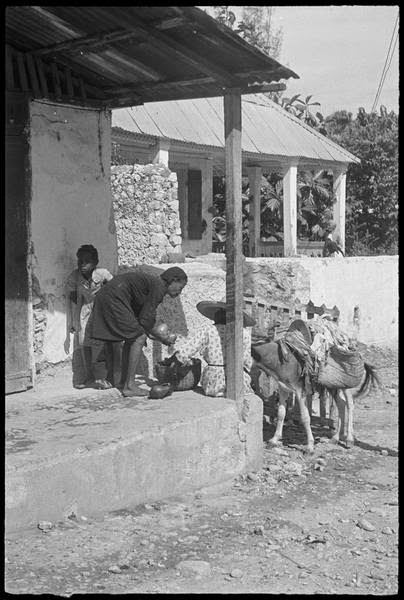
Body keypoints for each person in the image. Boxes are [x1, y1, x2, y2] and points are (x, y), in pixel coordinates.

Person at [85, 266, 188, 397]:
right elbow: (146, 319)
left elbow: (143, 317)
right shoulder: (159, 287)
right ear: (173, 280)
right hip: (114, 297)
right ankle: (130, 386)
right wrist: (163, 338)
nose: (180, 291)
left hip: (108, 296)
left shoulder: (154, 284)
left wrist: (152, 333)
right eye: (180, 287)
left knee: (133, 337)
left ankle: (124, 382)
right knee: (139, 337)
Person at [171, 300, 256, 397]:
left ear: (221, 315)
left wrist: (177, 360)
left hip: (213, 382)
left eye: (218, 312)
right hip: (238, 381)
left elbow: (186, 350)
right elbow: (247, 362)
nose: (215, 315)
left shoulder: (208, 330)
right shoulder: (244, 333)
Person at [65, 244, 113, 389]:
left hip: (102, 311)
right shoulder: (74, 277)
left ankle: (104, 377)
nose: (83, 265)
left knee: (102, 343)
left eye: (87, 261)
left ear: (95, 262)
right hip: (85, 311)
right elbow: (73, 300)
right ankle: (88, 375)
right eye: (80, 261)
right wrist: (73, 321)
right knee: (84, 343)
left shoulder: (103, 274)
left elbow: (115, 290)